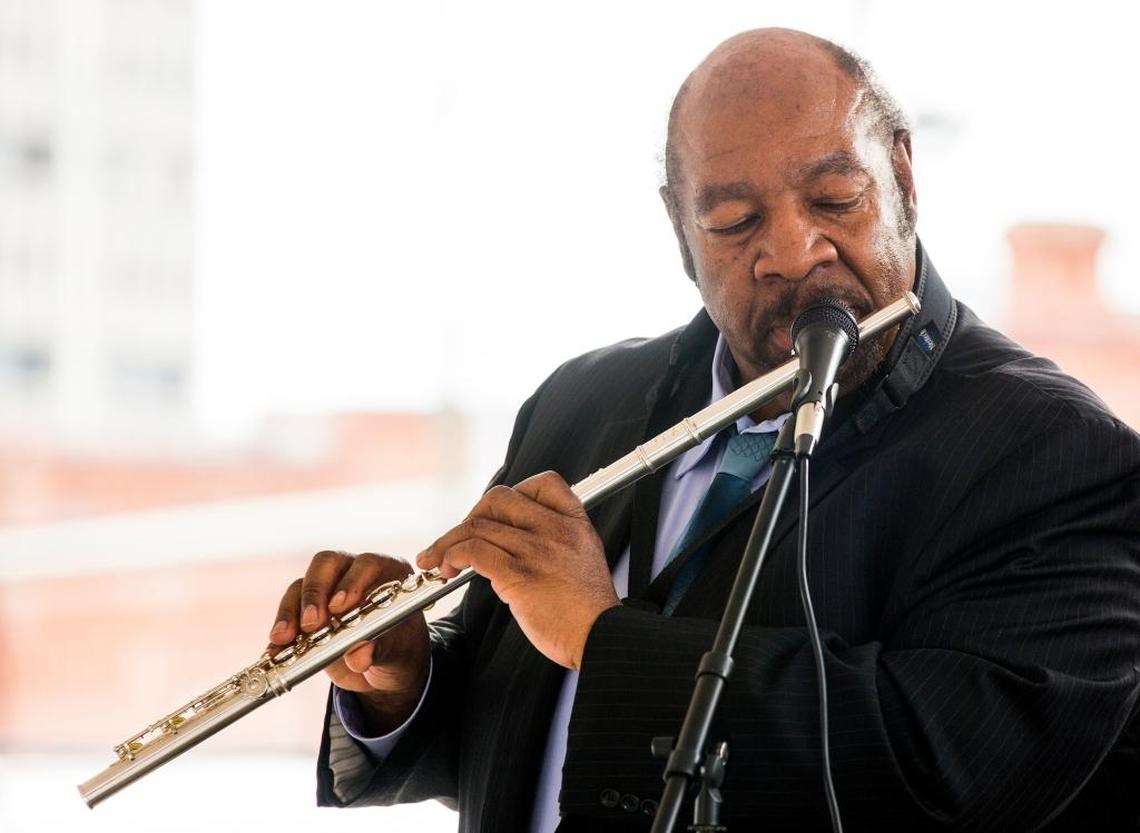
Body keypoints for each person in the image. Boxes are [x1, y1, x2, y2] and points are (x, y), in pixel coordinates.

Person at [266, 28, 1140, 832]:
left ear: (905, 178)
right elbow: (535, 729)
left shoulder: (1058, 454)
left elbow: (944, 771)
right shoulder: (582, 401)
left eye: (836, 198)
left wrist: (602, 640)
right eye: (735, 222)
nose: (795, 251)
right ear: (681, 231)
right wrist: (405, 681)